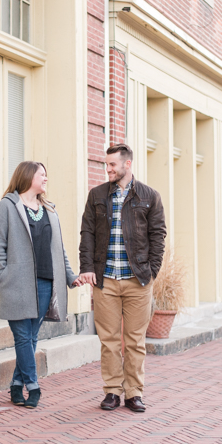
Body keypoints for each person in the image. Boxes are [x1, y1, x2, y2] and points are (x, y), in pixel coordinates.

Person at [77, 143, 167, 413]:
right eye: (107, 164)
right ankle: (112, 391)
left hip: (138, 280)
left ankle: (134, 392)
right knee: (109, 341)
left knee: (135, 340)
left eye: (112, 165)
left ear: (127, 165)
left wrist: (151, 272)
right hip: (105, 280)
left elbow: (158, 236)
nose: (108, 169)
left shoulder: (149, 196)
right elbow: (87, 233)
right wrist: (87, 267)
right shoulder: (97, 195)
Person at [0, 161, 84, 409]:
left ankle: (15, 386)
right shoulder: (7, 207)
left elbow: (59, 250)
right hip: (17, 286)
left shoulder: (49, 210)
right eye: (42, 174)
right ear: (29, 176)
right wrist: (3, 276)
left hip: (45, 283)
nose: (46, 179)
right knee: (23, 337)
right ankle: (33, 386)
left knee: (30, 338)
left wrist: (70, 276)